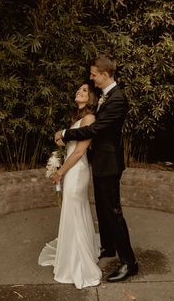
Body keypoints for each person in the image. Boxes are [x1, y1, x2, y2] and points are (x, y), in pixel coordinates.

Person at [55, 54, 138, 282]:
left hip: (109, 164)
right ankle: (109, 247)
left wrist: (66, 134)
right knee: (102, 208)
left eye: (93, 75)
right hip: (100, 162)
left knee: (113, 211)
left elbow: (96, 130)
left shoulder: (118, 99)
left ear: (104, 74)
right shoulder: (105, 96)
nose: (91, 79)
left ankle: (129, 262)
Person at [38, 83, 102, 289]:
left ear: (91, 98)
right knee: (74, 209)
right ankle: (73, 253)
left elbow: (79, 151)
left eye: (84, 90)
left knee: (74, 209)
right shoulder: (78, 120)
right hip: (72, 169)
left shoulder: (90, 118)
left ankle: (79, 262)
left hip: (77, 170)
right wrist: (60, 140)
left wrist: (60, 172)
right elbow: (69, 144)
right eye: (79, 89)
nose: (79, 91)